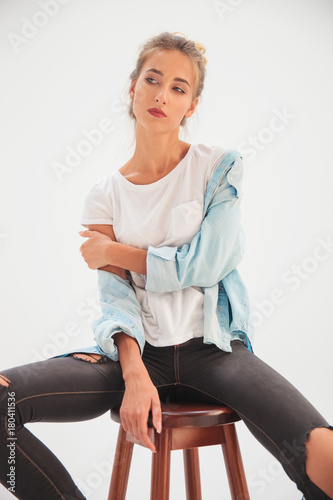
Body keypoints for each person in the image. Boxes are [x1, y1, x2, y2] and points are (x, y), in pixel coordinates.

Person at [0, 31, 332, 500]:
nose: (161, 94)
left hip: (214, 351)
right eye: (152, 80)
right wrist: (134, 374)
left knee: (321, 448)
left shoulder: (218, 167)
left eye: (178, 88)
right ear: (132, 87)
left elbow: (208, 263)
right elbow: (117, 300)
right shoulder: (104, 195)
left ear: (190, 106)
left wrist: (116, 253)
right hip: (136, 354)